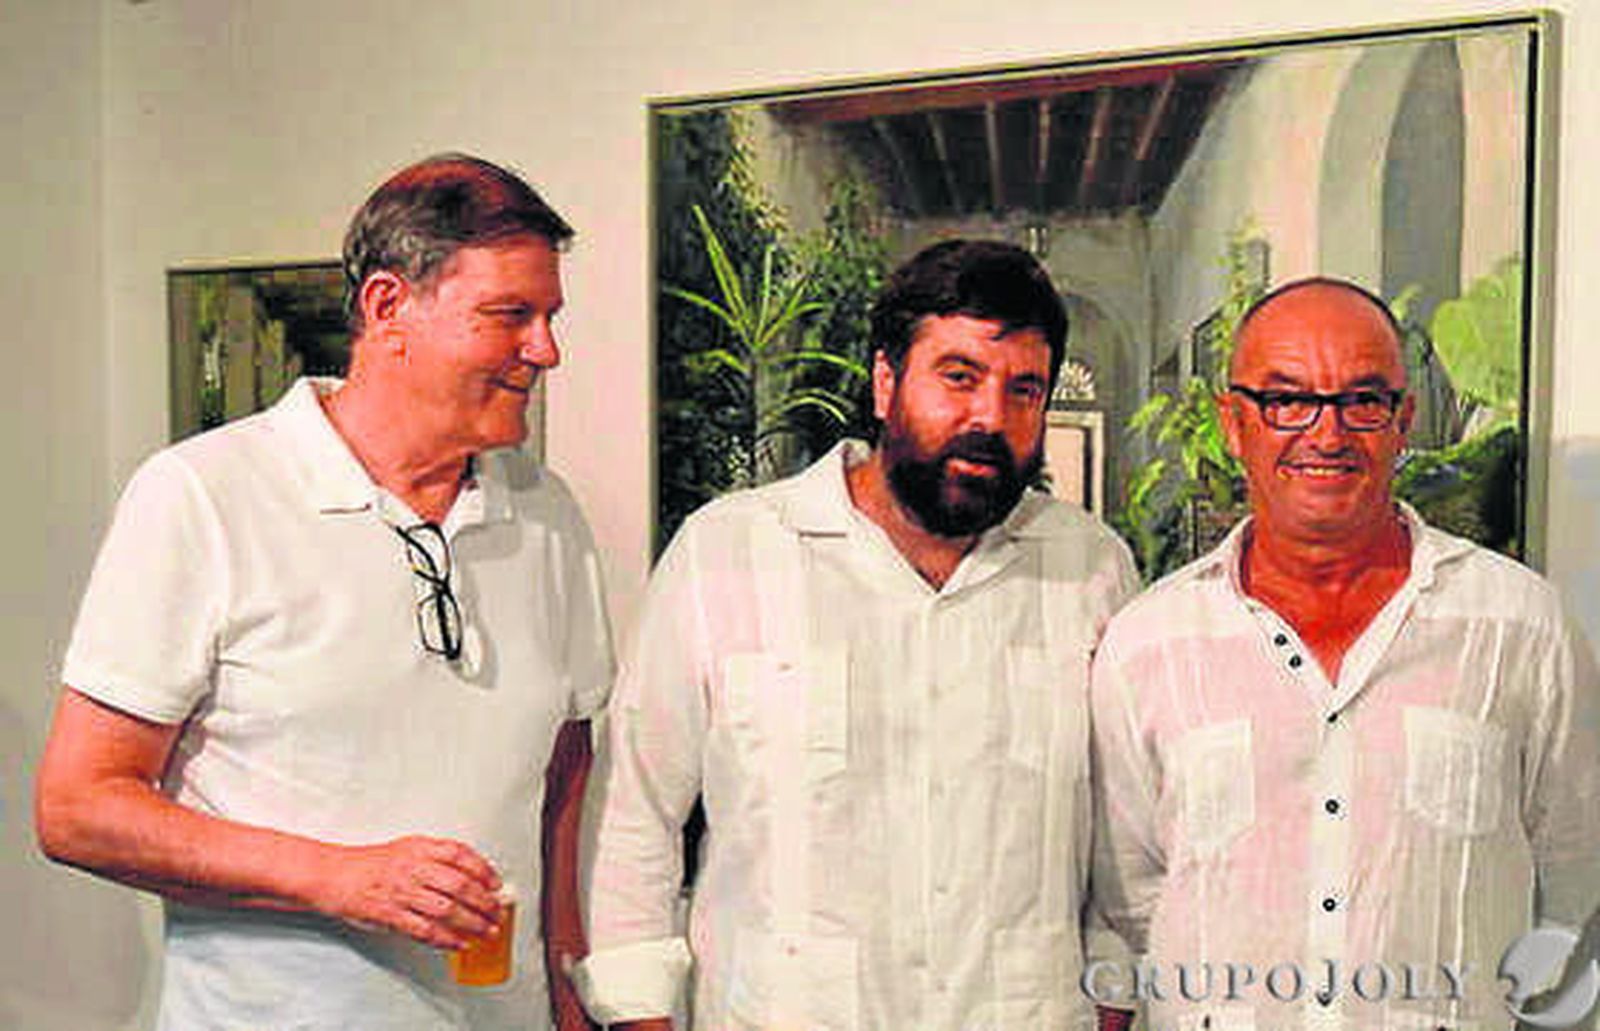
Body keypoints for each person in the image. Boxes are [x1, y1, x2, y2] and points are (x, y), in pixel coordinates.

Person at [35, 154, 613, 1031]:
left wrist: (571, 995)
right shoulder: (201, 494)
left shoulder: (548, 515)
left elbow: (565, 774)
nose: (546, 350)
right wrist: (337, 876)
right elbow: (78, 806)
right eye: (510, 316)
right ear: (389, 309)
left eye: (548, 317)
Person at [573, 239, 1138, 1031]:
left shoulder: (1091, 569)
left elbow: (1126, 836)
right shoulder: (730, 553)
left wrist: (1114, 1007)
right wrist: (639, 1016)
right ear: (884, 381)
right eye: (959, 376)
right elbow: (634, 815)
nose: (990, 418)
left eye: (1025, 389)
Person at [1088, 278, 1600, 1030]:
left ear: (1404, 422)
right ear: (1234, 423)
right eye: (1287, 400)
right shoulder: (1149, 645)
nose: (1327, 435)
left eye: (1362, 400)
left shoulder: (1519, 627)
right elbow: (1129, 909)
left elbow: (1573, 890)